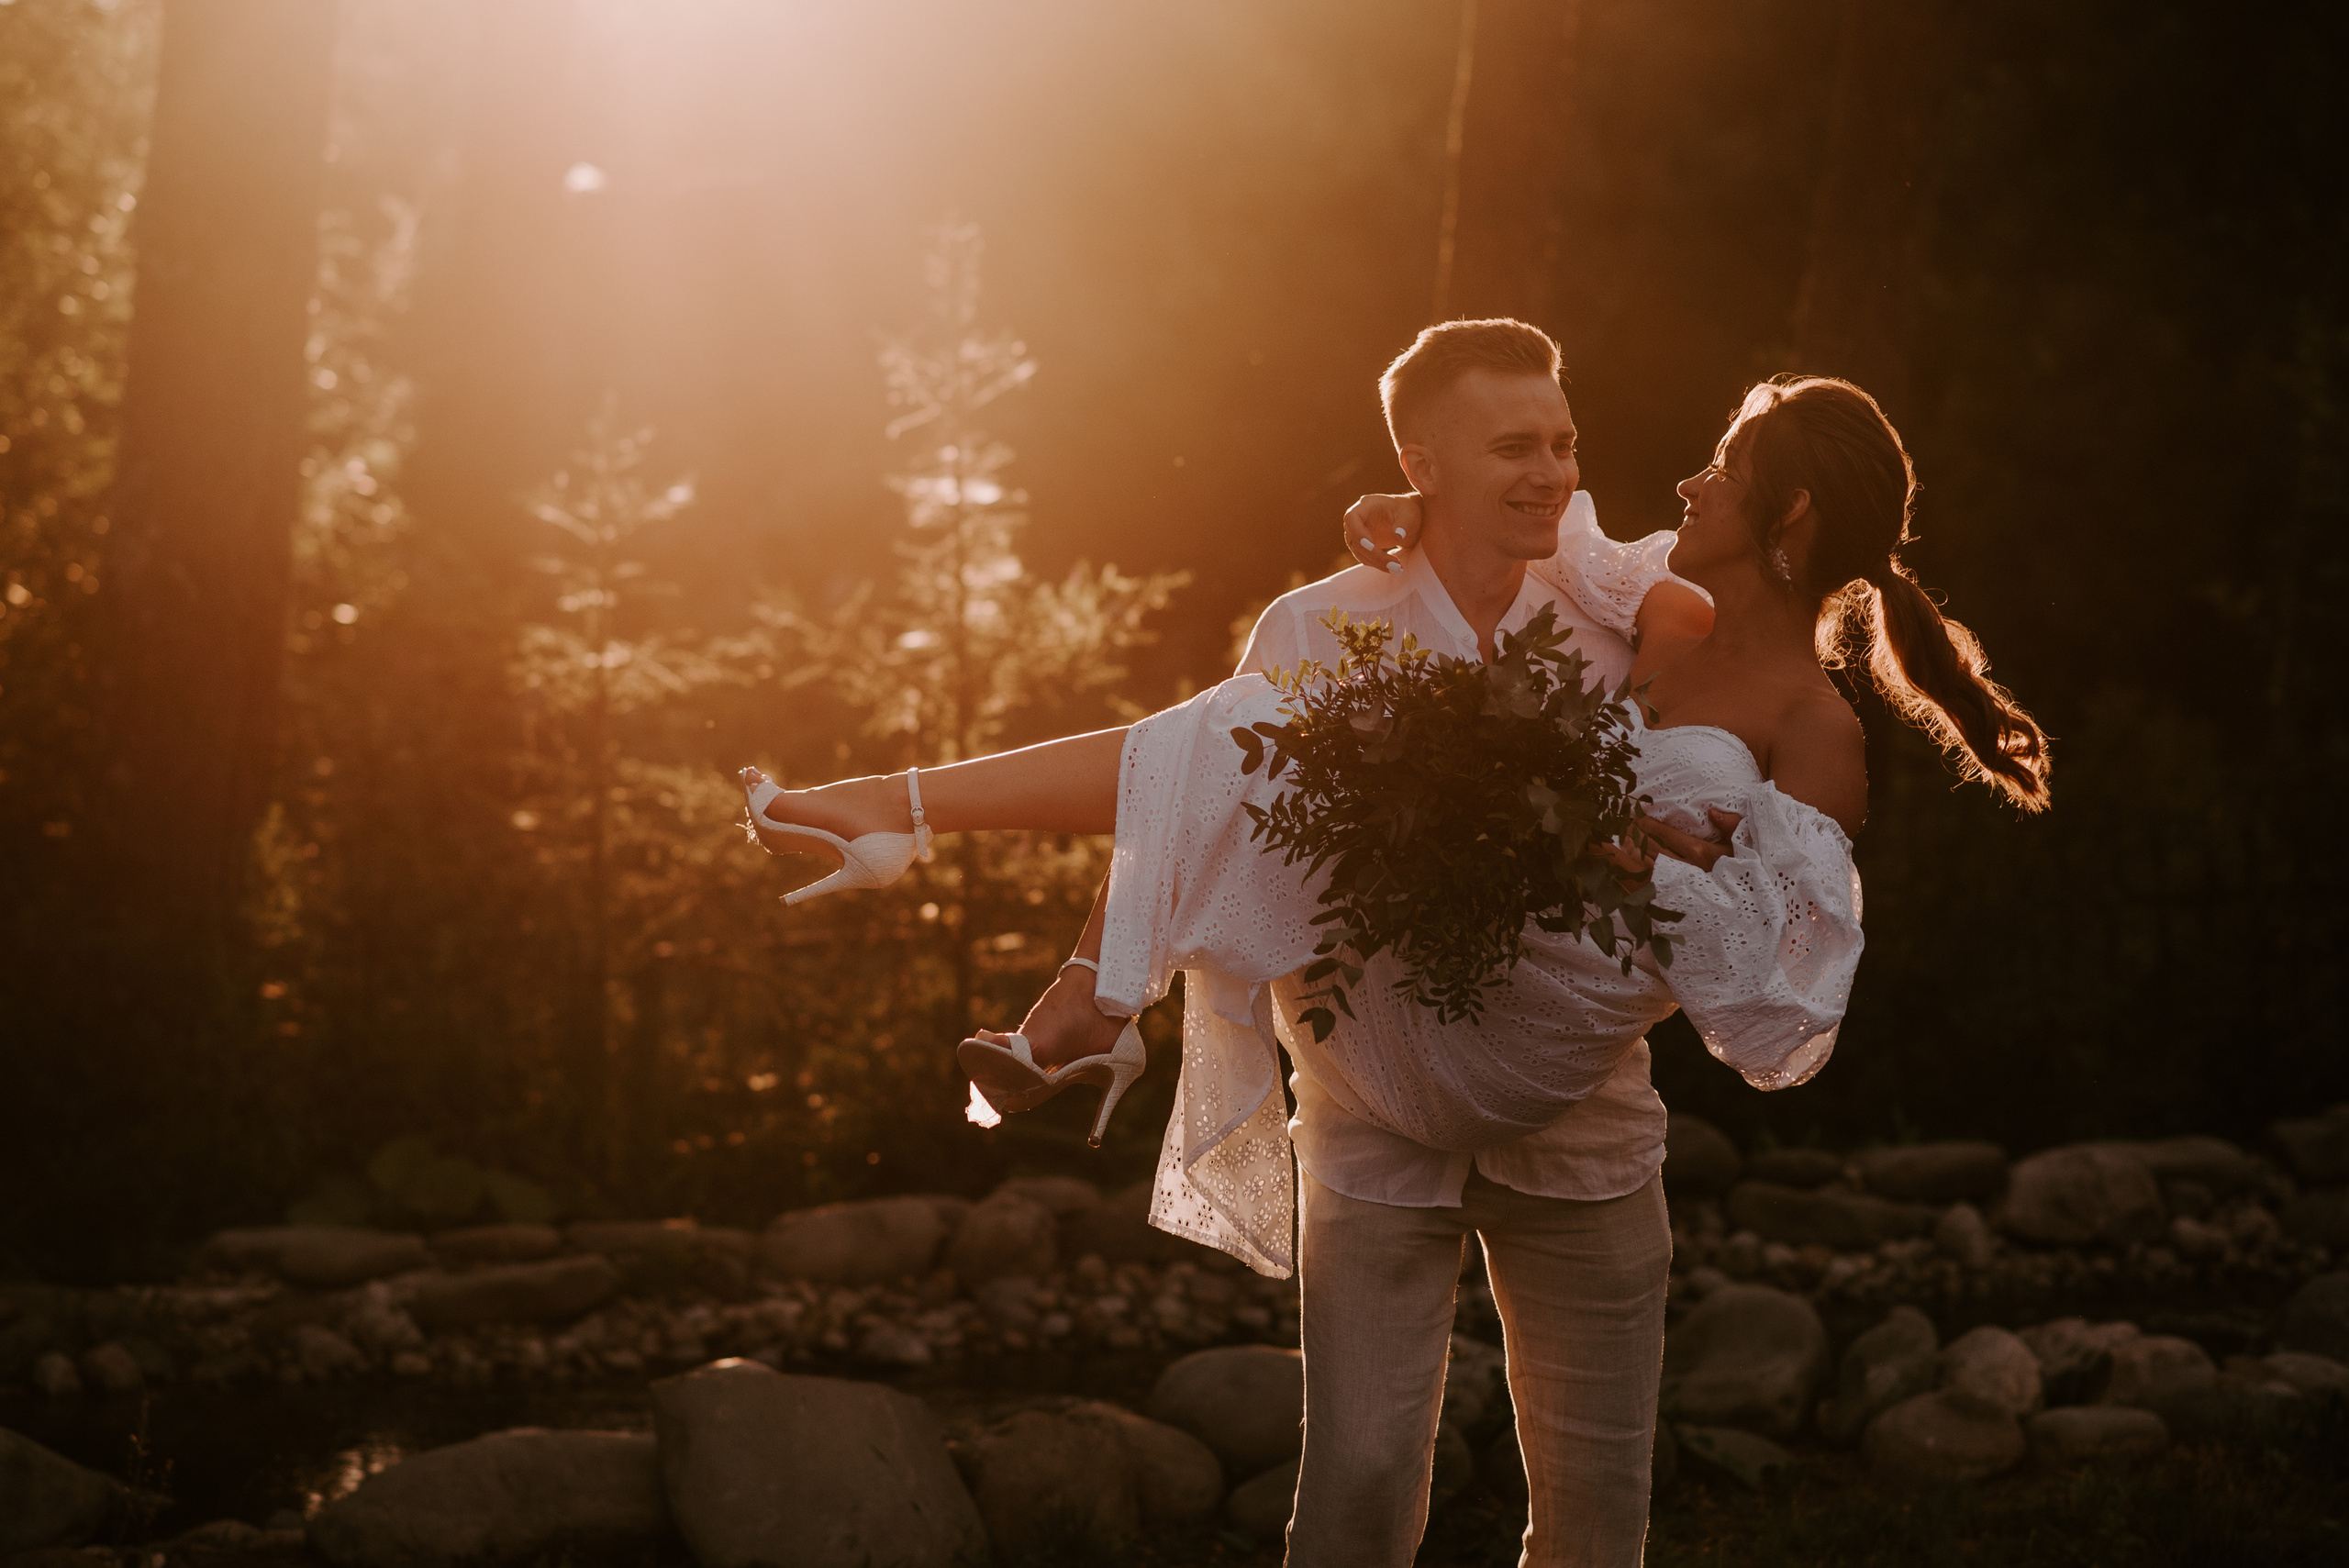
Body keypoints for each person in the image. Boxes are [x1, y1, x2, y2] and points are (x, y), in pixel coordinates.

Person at [738, 321, 2049, 1567]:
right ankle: (981, 888)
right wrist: (1407, 524)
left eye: (1568, 445)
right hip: (1379, 1114)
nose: (1597, 475)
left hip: (1579, 1109)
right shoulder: (1531, 591)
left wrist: (1652, 862)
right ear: (1430, 463)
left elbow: (1781, 959)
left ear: (1788, 512)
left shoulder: (1707, 652)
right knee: (1358, 1495)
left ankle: (1051, 969)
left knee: (1597, 1525)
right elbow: (1250, 791)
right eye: (1516, 447)